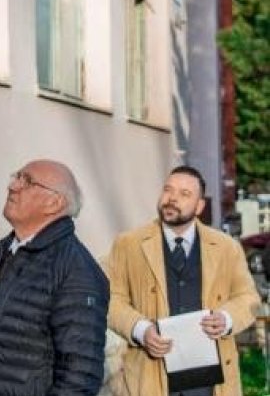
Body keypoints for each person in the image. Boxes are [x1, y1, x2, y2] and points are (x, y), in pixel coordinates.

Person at [0, 160, 109, 396]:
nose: (13, 186)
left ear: (54, 203)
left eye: (27, 181)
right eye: (16, 177)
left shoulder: (76, 271)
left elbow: (79, 376)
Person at [106, 166, 260, 396]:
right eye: (168, 190)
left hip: (210, 381)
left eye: (184, 194)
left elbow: (248, 298)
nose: (172, 199)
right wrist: (141, 329)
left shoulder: (227, 247)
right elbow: (110, 299)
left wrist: (226, 318)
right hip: (150, 378)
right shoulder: (128, 244)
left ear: (199, 206)